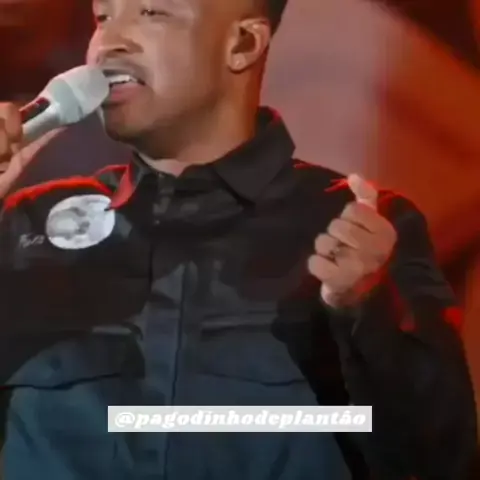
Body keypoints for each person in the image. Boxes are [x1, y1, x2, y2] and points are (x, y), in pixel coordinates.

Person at [0, 0, 476, 478]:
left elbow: (441, 457)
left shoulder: (360, 231)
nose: (109, 42)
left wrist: (367, 310)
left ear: (243, 44)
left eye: (151, 12)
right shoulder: (26, 226)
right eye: (103, 17)